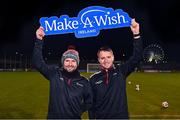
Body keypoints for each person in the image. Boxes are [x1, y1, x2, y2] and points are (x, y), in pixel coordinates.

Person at [32, 26, 93, 119]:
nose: (70, 64)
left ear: (77, 63)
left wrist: (79, 110)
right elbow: (38, 63)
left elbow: (89, 101)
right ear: (63, 62)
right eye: (67, 60)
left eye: (73, 61)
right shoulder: (54, 74)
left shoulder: (84, 82)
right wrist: (39, 40)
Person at [88, 18, 143, 119]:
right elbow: (91, 105)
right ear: (99, 60)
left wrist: (136, 34)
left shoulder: (121, 71)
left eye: (108, 57)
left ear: (113, 57)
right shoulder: (93, 79)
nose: (106, 60)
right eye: (102, 58)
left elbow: (137, 57)